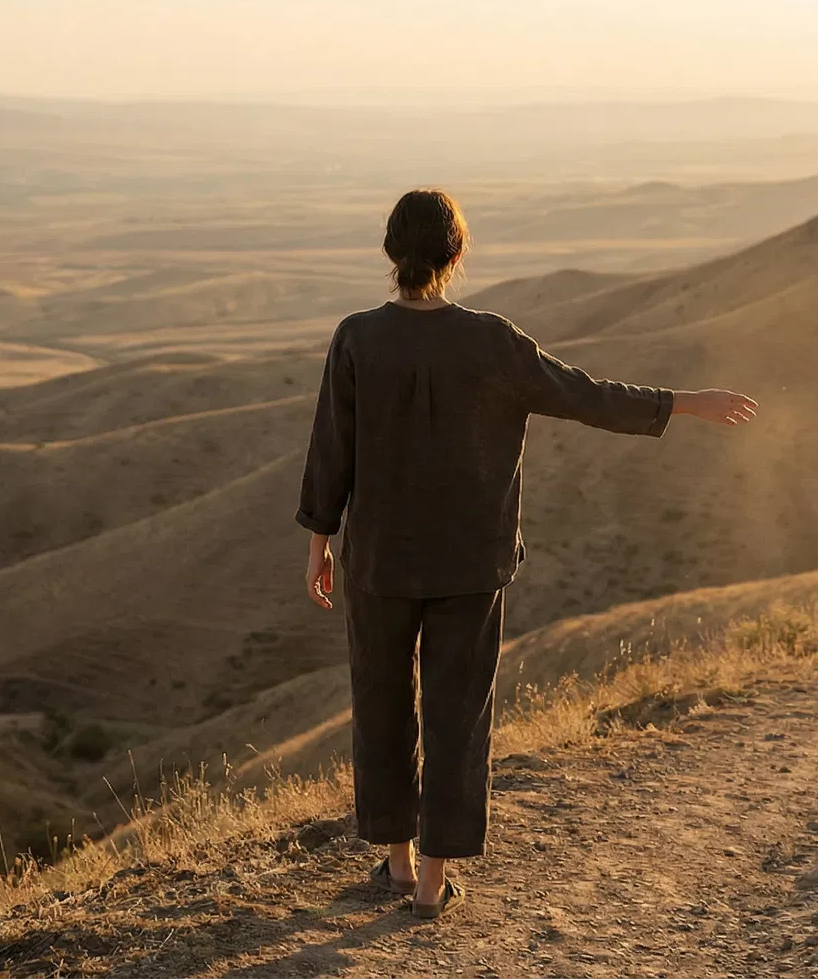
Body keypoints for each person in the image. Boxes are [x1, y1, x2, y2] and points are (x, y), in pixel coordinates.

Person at [295, 188, 757, 919]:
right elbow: (583, 395)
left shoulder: (357, 337)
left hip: (378, 559)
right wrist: (682, 402)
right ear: (457, 253)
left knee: (381, 704)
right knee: (457, 714)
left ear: (392, 253)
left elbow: (332, 449)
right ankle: (431, 884)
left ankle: (395, 861)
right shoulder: (492, 340)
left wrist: (320, 543)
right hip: (471, 563)